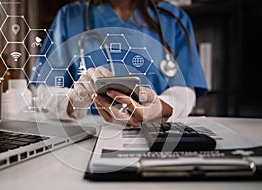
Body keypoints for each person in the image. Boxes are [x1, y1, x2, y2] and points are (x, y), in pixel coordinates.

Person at [30, 0, 208, 127]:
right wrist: (76, 98)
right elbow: (43, 92)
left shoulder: (173, 19)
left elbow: (185, 89)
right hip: (89, 134)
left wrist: (158, 108)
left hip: (156, 132)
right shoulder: (70, 17)